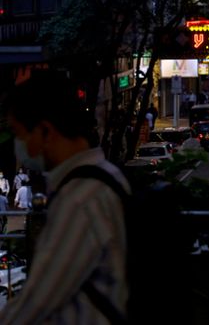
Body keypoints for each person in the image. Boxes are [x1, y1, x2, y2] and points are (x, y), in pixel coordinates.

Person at [1, 71, 129, 323]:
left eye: (19, 134)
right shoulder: (106, 176)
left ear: (46, 131)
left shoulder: (80, 199)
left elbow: (37, 301)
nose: (20, 144)